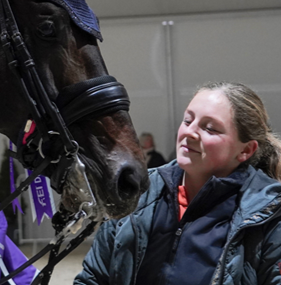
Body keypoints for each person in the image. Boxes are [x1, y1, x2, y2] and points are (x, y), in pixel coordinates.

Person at [75, 82, 281, 285]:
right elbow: (93, 278)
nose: (189, 132)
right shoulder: (136, 191)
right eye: (188, 120)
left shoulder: (269, 213)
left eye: (210, 129)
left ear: (245, 150)